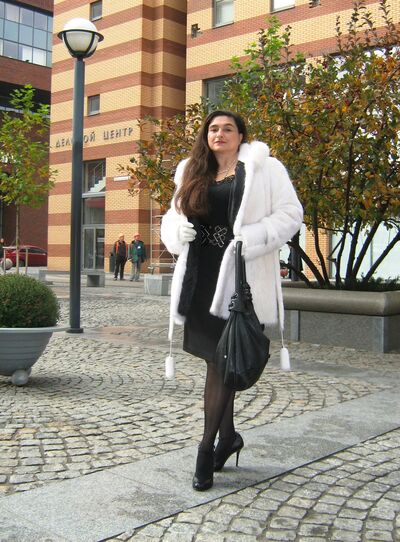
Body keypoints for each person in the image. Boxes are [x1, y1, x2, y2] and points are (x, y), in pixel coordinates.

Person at [161, 110, 303, 492]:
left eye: (227, 129)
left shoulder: (265, 169)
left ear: (241, 135)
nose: (219, 134)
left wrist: (251, 238)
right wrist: (177, 231)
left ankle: (206, 448)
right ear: (205, 136)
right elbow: (172, 216)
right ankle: (228, 438)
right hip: (201, 275)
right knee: (216, 359)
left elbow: (291, 215)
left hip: (239, 277)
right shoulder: (191, 170)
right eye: (213, 129)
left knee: (221, 361)